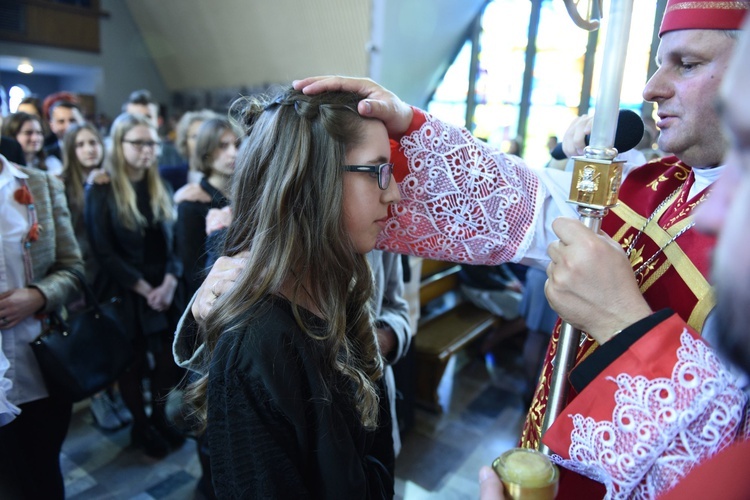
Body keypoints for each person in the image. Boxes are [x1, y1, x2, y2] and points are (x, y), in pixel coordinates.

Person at [479, 12, 750, 499]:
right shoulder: (653, 182)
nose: (650, 89)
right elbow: (526, 208)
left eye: (686, 64)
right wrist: (412, 133)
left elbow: (728, 467)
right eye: (657, 63)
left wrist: (623, 325)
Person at [174, 86, 400, 498]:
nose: (395, 192)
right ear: (314, 180)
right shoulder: (258, 344)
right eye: (378, 171)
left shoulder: (337, 289)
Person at [85, 113, 185, 458]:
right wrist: (145, 289)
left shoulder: (161, 186)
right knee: (132, 365)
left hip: (164, 286)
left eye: (153, 143)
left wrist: (170, 283)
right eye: (139, 143)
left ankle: (159, 417)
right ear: (120, 144)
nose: (149, 150)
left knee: (168, 362)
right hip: (126, 290)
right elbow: (104, 251)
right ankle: (141, 426)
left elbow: (174, 246)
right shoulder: (102, 188)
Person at [0, 153, 84, 499]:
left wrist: (39, 294)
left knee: (44, 471)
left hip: (41, 361)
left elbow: (74, 268)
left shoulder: (40, 183)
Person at [61, 122, 133, 431]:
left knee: (115, 333)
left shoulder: (110, 179)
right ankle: (100, 398)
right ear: (70, 151)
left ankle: (117, 394)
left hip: (109, 271)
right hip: (82, 276)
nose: (89, 149)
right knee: (92, 337)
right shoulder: (62, 184)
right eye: (81, 144)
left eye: (93, 142)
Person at [175, 117, 238, 299]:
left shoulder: (246, 196)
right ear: (207, 152)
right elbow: (192, 272)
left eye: (237, 145)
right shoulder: (191, 204)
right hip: (208, 301)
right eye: (223, 146)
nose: (233, 153)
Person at [159, 109, 218, 192]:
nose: (200, 142)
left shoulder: (228, 178)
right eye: (195, 137)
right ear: (184, 141)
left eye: (205, 136)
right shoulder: (166, 175)